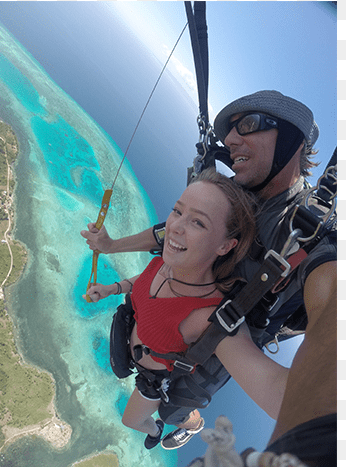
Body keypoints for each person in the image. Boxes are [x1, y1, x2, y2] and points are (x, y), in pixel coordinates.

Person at [82, 90, 336, 454]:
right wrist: (111, 247)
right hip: (169, 326)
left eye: (247, 126)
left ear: (292, 141)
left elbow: (333, 291)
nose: (230, 141)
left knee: (174, 410)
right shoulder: (234, 195)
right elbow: (169, 235)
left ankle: (191, 425)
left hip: (208, 354)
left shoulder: (311, 233)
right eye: (230, 130)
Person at [86, 170, 291, 451]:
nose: (175, 227)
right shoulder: (166, 263)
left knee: (132, 421)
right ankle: (167, 425)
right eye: (177, 211)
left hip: (154, 380)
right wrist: (113, 288)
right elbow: (143, 284)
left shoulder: (208, 316)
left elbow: (277, 392)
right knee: (132, 420)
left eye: (197, 222)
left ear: (225, 245)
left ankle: (191, 424)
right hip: (133, 349)